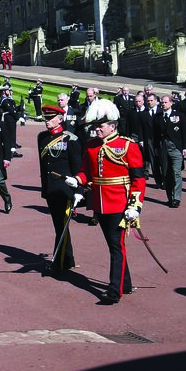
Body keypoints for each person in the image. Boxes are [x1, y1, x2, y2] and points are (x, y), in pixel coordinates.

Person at [69, 99, 146, 304]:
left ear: (112, 126)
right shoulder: (91, 146)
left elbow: (138, 179)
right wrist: (76, 181)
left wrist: (135, 205)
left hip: (120, 203)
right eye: (95, 126)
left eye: (100, 126)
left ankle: (115, 290)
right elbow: (86, 172)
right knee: (114, 245)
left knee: (116, 246)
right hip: (99, 203)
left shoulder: (128, 146)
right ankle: (126, 283)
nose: (97, 129)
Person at [37, 105, 82, 276]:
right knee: (59, 226)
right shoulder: (42, 137)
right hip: (50, 189)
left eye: (50, 118)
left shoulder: (71, 139)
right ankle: (68, 259)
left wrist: (78, 191)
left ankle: (60, 263)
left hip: (65, 190)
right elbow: (44, 166)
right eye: (46, 118)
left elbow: (77, 167)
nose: (47, 121)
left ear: (60, 119)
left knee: (61, 226)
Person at [154, 94, 186, 208]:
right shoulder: (157, 117)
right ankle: (170, 197)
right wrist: (156, 149)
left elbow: (185, 132)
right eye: (162, 103)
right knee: (166, 173)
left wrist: (184, 147)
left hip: (176, 148)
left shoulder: (179, 116)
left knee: (176, 172)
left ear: (171, 103)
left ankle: (177, 198)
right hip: (163, 148)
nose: (163, 104)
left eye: (165, 102)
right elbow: (155, 135)